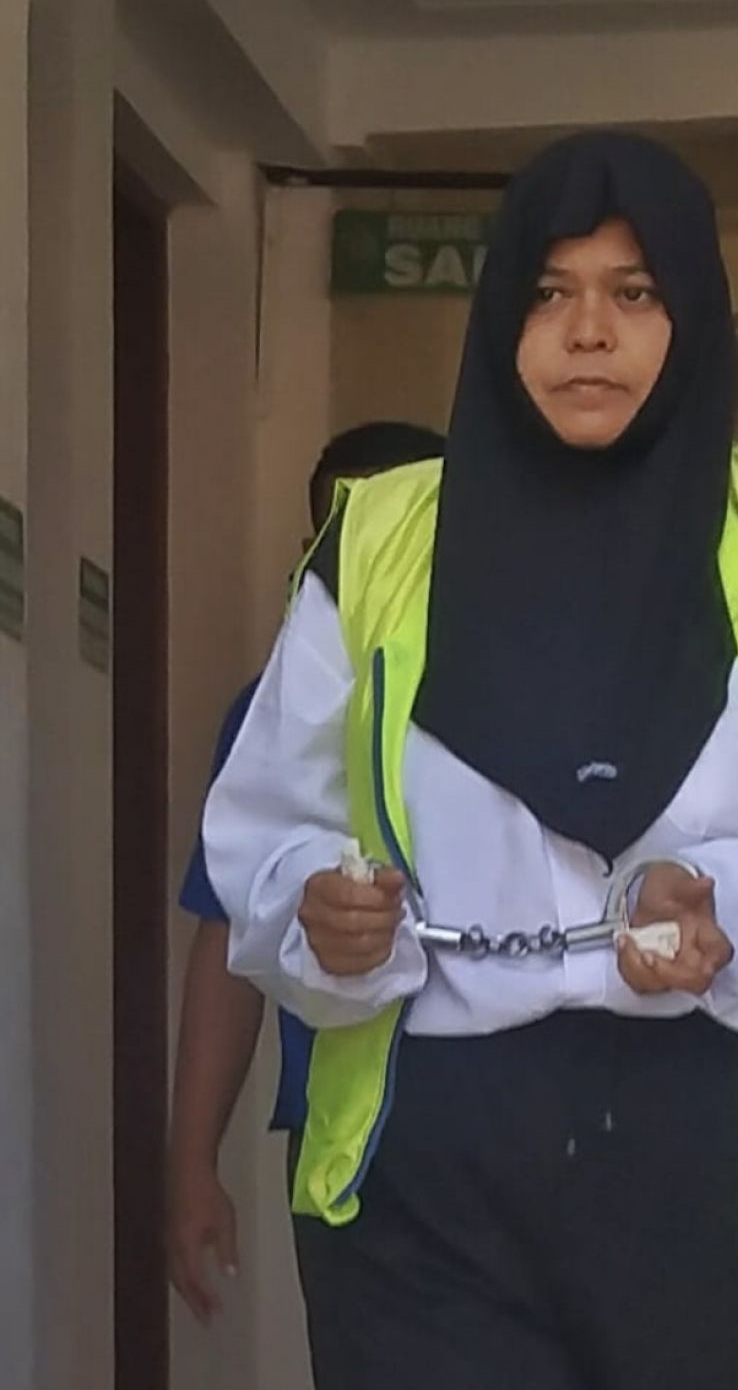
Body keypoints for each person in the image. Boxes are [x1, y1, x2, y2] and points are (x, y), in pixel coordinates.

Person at [202, 131, 738, 1390]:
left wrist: (735, 908)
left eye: (635, 291)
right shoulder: (380, 536)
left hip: (709, 1152)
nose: (588, 332)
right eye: (549, 291)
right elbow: (265, 830)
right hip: (430, 1168)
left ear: (694, 311)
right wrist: (320, 909)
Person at [167, 421, 447, 1327]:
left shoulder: (529, 702)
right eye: (336, 535)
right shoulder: (269, 718)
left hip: (521, 1135)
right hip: (349, 1153)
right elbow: (229, 935)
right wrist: (191, 1160)